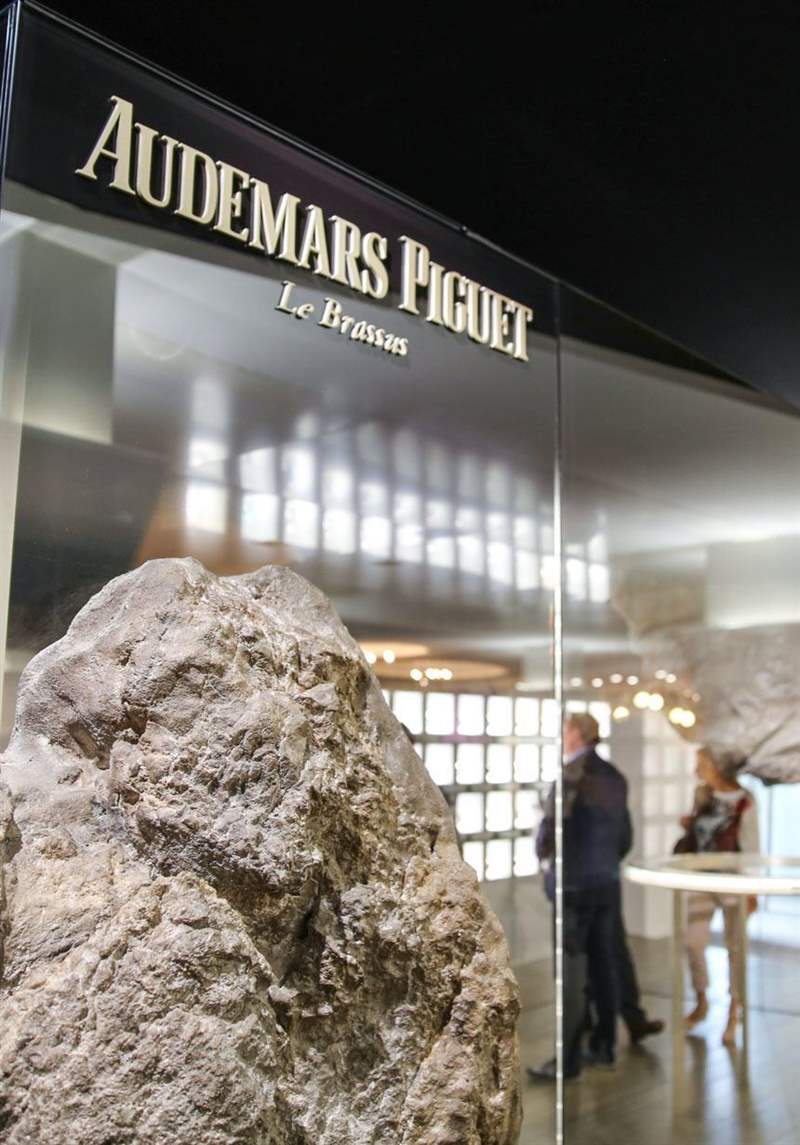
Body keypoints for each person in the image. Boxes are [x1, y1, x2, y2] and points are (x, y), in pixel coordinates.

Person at [527, 712, 630, 1080]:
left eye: (565, 729)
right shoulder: (614, 775)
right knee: (603, 966)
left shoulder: (572, 775)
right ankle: (604, 1046)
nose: (562, 735)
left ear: (576, 734)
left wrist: (545, 858)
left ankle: (567, 1060)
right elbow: (625, 836)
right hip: (605, 883)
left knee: (570, 972)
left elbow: (551, 832)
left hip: (573, 887)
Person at [678, 744, 759, 1046]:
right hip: (701, 878)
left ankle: (734, 1011)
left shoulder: (746, 801)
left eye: (701, 764)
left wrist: (751, 889)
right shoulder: (702, 795)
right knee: (693, 941)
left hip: (733, 882)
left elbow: (751, 847)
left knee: (735, 947)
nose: (696, 770)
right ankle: (701, 999)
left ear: (716, 766)